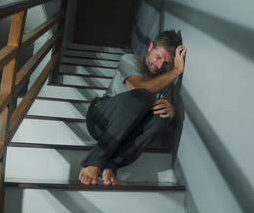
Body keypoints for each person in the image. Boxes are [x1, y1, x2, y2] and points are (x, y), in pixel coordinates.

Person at [79, 30, 187, 185]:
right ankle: (95, 160)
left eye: (167, 63)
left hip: (126, 131)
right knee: (142, 96)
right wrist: (176, 71)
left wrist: (172, 113)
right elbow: (139, 88)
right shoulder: (129, 59)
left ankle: (112, 164)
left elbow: (155, 120)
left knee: (162, 119)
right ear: (150, 47)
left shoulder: (165, 81)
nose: (159, 65)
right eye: (158, 57)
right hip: (101, 117)